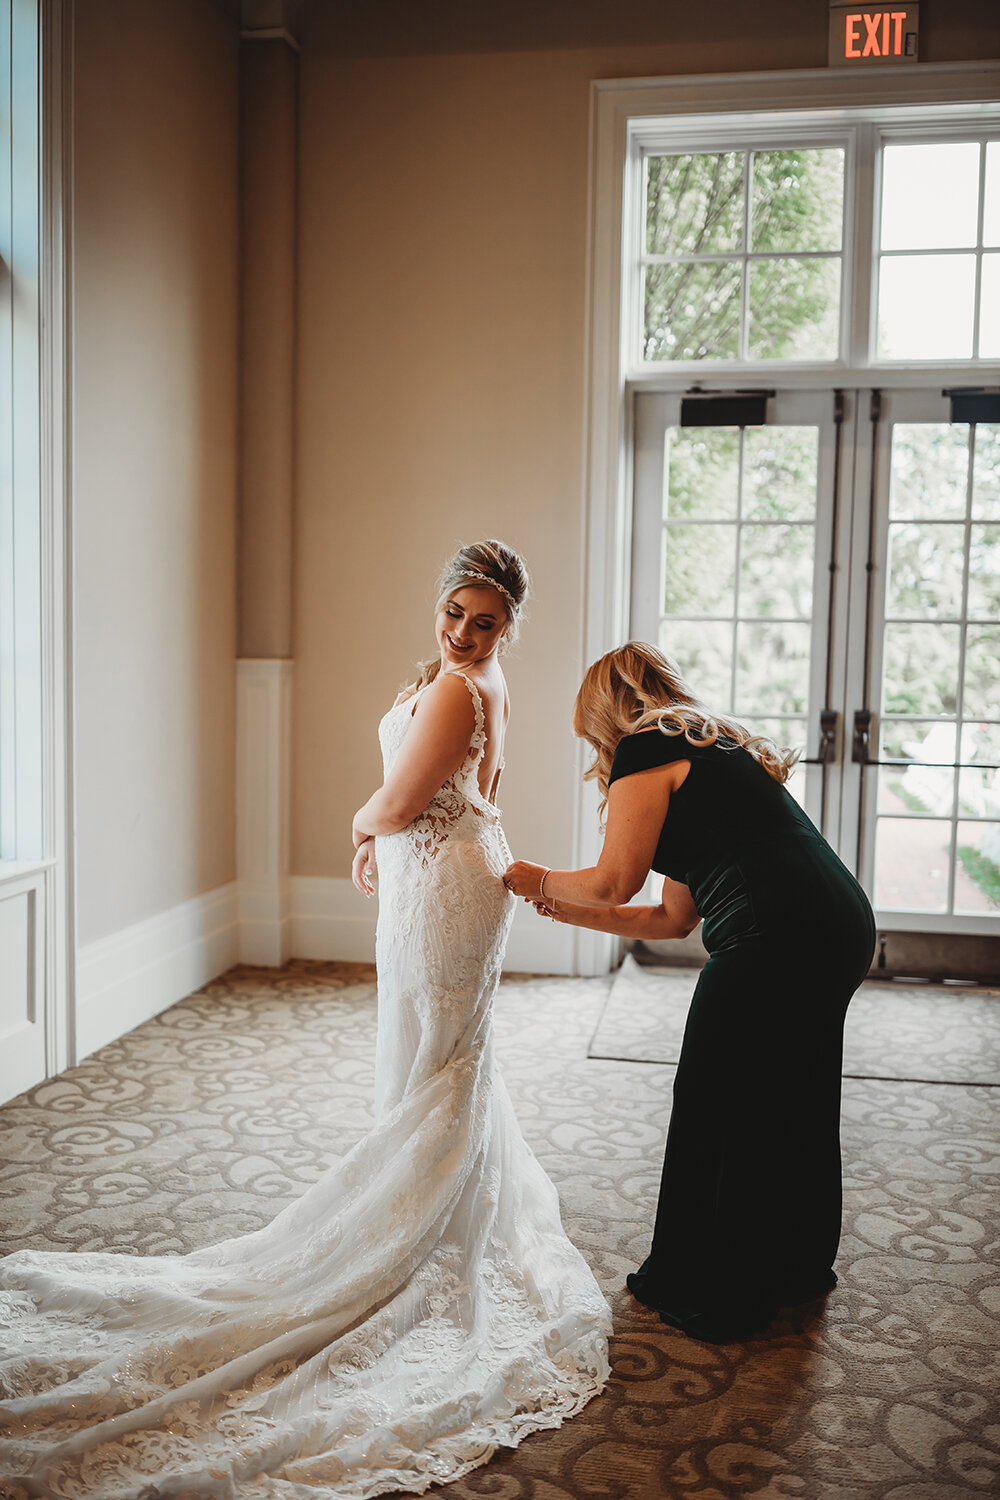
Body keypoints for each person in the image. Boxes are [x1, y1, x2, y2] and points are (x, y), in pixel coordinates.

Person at [0, 541, 610, 1498]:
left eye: (482, 620)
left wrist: (362, 827)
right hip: (445, 872)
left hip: (445, 882)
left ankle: (405, 1240)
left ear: (508, 626)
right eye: (452, 610)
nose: (460, 631)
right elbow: (473, 793)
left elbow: (409, 799)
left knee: (435, 1062)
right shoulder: (470, 678)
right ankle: (428, 1219)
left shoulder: (462, 687)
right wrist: (393, 837)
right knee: (441, 1056)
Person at [504, 640, 876, 1345]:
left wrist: (540, 879)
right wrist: (557, 905)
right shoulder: (708, 750)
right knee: (792, 1089)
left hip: (774, 936)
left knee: (715, 1095)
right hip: (836, 924)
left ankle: (717, 1284)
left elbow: (615, 881)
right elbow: (671, 918)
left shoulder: (644, 744)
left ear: (603, 711)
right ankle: (789, 1264)